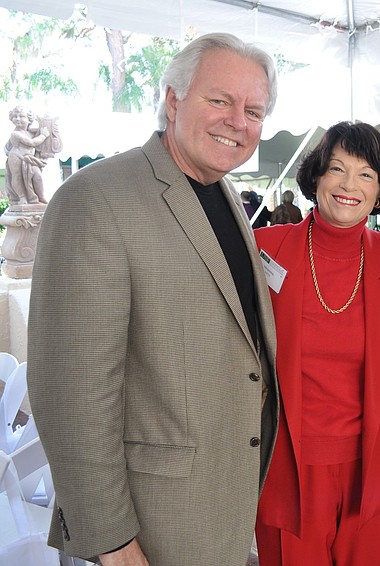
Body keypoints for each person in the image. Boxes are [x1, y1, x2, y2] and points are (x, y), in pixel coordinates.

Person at [27, 32, 279, 566]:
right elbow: (70, 391)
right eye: (220, 100)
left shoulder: (223, 192)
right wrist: (112, 542)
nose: (238, 121)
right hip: (151, 522)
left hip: (221, 503)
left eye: (253, 110)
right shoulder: (96, 198)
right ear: (173, 100)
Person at [253, 121, 380, 566]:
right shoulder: (264, 250)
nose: (348, 185)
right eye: (337, 169)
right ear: (316, 176)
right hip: (287, 460)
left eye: (365, 174)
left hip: (378, 459)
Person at [4, 105, 50, 204]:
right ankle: (22, 197)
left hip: (29, 158)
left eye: (21, 116)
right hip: (16, 157)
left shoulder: (29, 132)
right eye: (15, 116)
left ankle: (41, 196)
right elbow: (32, 143)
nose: (17, 119)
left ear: (29, 119)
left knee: (37, 176)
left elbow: (37, 130)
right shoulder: (15, 134)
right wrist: (43, 135)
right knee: (17, 176)